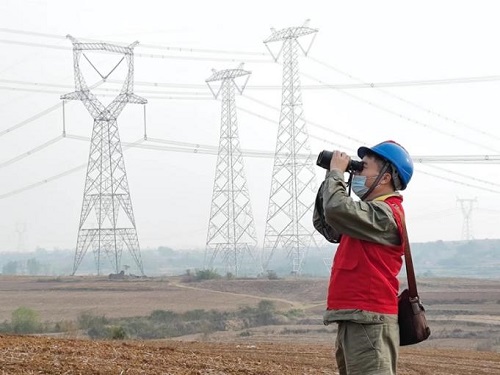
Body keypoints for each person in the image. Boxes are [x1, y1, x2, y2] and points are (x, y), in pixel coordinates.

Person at [313, 140, 414, 375]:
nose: (356, 171)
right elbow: (328, 224)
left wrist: (338, 173)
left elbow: (336, 209)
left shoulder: (386, 214)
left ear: (386, 178)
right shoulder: (366, 216)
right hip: (357, 317)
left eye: (363, 167)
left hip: (370, 320)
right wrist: (331, 176)